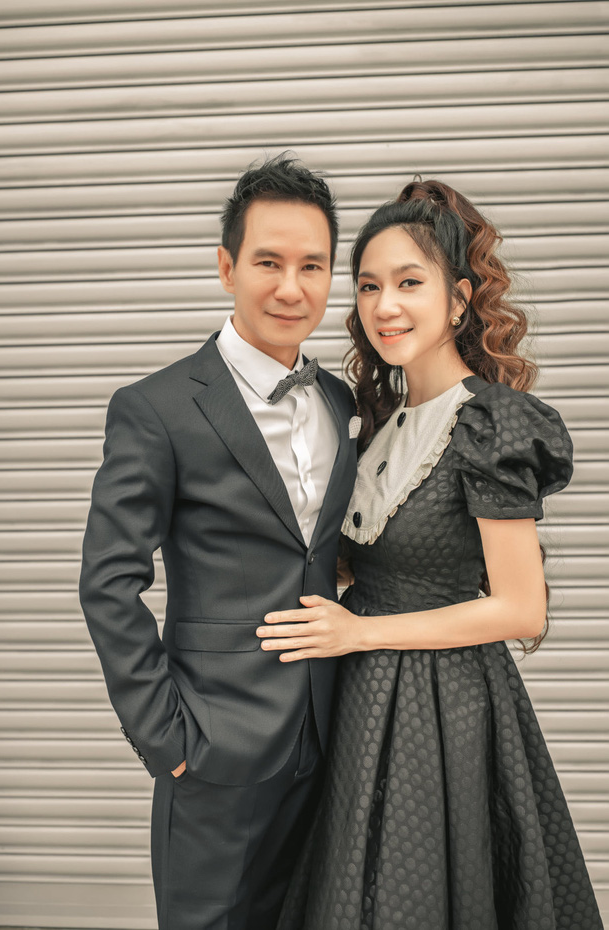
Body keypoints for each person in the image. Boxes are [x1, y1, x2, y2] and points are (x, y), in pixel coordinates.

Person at [260, 179, 603, 929]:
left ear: (458, 301)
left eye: (410, 283)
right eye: (369, 286)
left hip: (447, 709)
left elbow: (522, 609)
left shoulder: (490, 425)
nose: (385, 305)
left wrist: (360, 632)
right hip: (358, 702)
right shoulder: (375, 427)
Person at [78, 154, 359, 930]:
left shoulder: (340, 402)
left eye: (312, 266)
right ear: (227, 266)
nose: (291, 287)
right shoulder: (157, 409)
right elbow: (108, 582)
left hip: (331, 741)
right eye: (269, 262)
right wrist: (167, 738)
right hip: (213, 752)